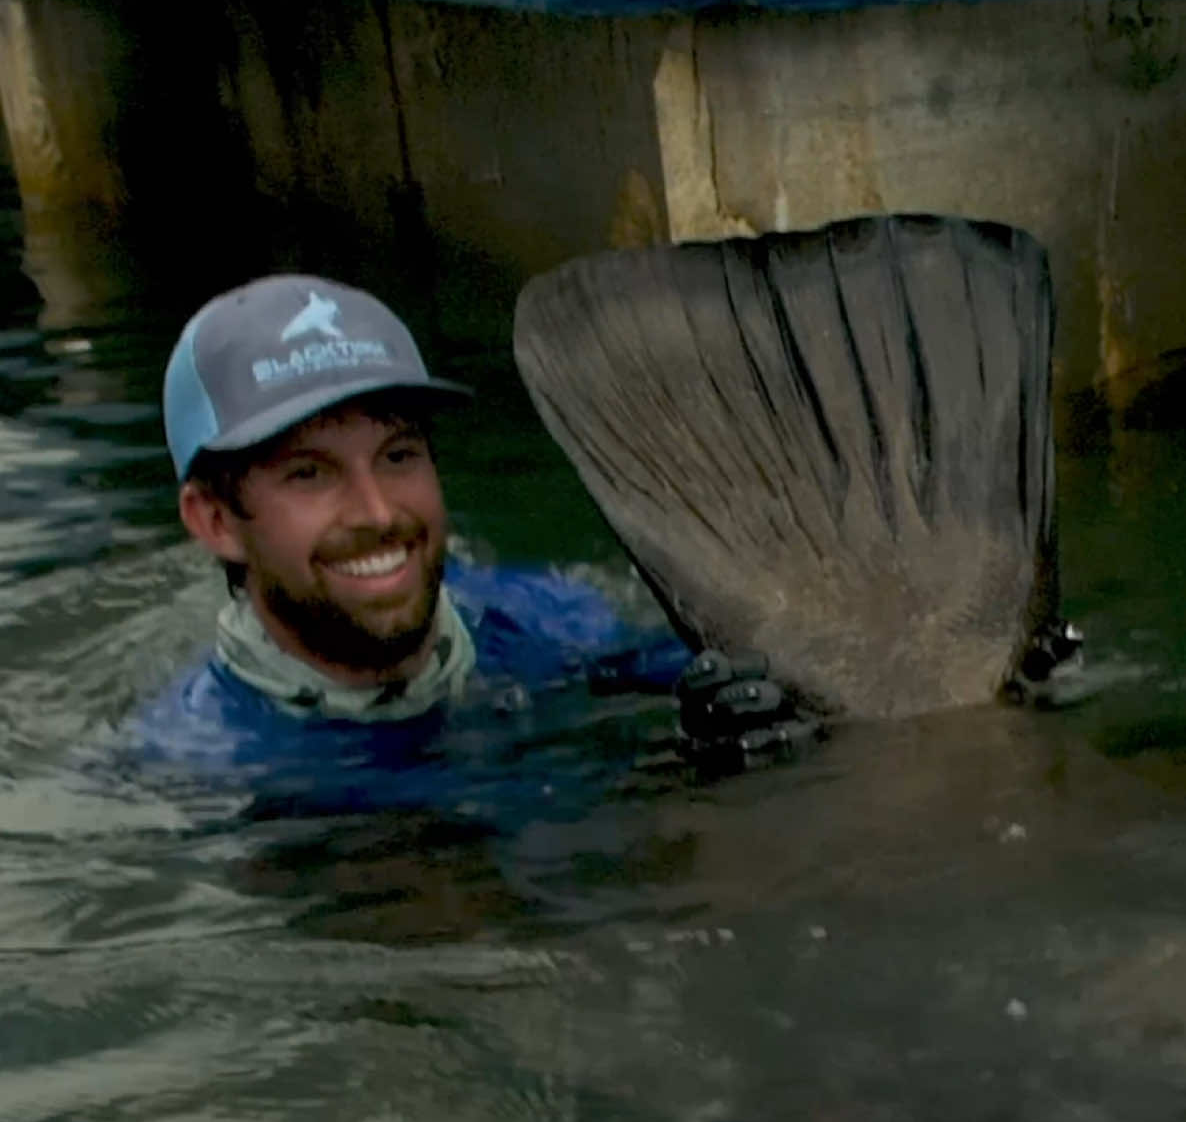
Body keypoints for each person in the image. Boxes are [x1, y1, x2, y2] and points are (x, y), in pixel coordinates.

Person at [132, 273, 804, 810]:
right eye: (309, 473)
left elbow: (772, 668)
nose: (378, 512)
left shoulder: (552, 622)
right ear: (216, 521)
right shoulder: (202, 771)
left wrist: (744, 739)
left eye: (398, 455)